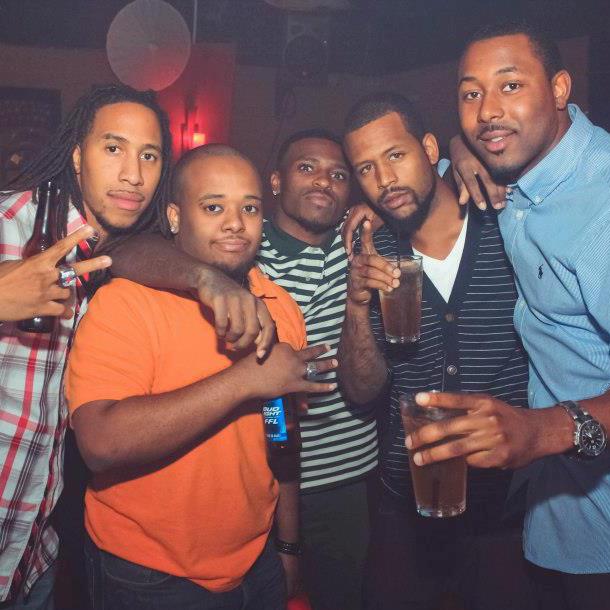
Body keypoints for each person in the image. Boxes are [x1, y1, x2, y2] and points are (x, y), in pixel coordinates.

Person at [64, 144, 336, 610]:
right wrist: (245, 381)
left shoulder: (279, 306)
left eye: (249, 208)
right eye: (213, 207)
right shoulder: (128, 302)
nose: (235, 224)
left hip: (258, 562)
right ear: (174, 217)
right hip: (148, 575)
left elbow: (281, 438)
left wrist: (289, 546)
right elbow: (100, 444)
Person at [406, 22, 610, 610]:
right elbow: (426, 179)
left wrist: (543, 431)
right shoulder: (518, 173)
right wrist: (457, 154)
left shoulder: (599, 208)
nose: (488, 111)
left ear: (561, 88)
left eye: (511, 85)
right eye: (471, 94)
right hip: (568, 510)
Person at [338, 92, 535, 610]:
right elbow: (361, 391)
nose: (385, 180)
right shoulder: (373, 252)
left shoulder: (508, 225)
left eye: (395, 155)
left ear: (430, 150)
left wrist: (465, 146)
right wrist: (356, 306)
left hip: (506, 508)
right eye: (366, 169)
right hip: (406, 504)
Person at [0, 84, 173, 610]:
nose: (133, 174)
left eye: (149, 155)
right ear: (77, 156)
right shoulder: (11, 223)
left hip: (32, 556)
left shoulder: (113, 259)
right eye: (113, 147)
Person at [258, 130, 378, 610]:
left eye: (339, 174)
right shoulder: (239, 247)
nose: (323, 181)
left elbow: (427, 193)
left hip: (347, 480)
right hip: (259, 481)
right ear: (275, 181)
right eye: (307, 167)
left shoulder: (363, 246)